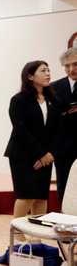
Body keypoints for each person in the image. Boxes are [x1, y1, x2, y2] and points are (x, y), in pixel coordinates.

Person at [4, 61, 58, 232]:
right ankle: (18, 235)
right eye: (43, 70)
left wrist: (50, 154)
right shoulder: (18, 100)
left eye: (48, 70)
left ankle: (37, 234)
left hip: (46, 156)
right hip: (22, 154)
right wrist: (41, 154)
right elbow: (21, 130)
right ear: (30, 76)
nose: (48, 73)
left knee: (41, 198)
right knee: (26, 196)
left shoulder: (53, 99)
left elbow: (58, 130)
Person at [52, 47, 77, 202]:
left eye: (75, 64)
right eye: (67, 66)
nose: (71, 69)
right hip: (62, 148)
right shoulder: (53, 87)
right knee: (64, 184)